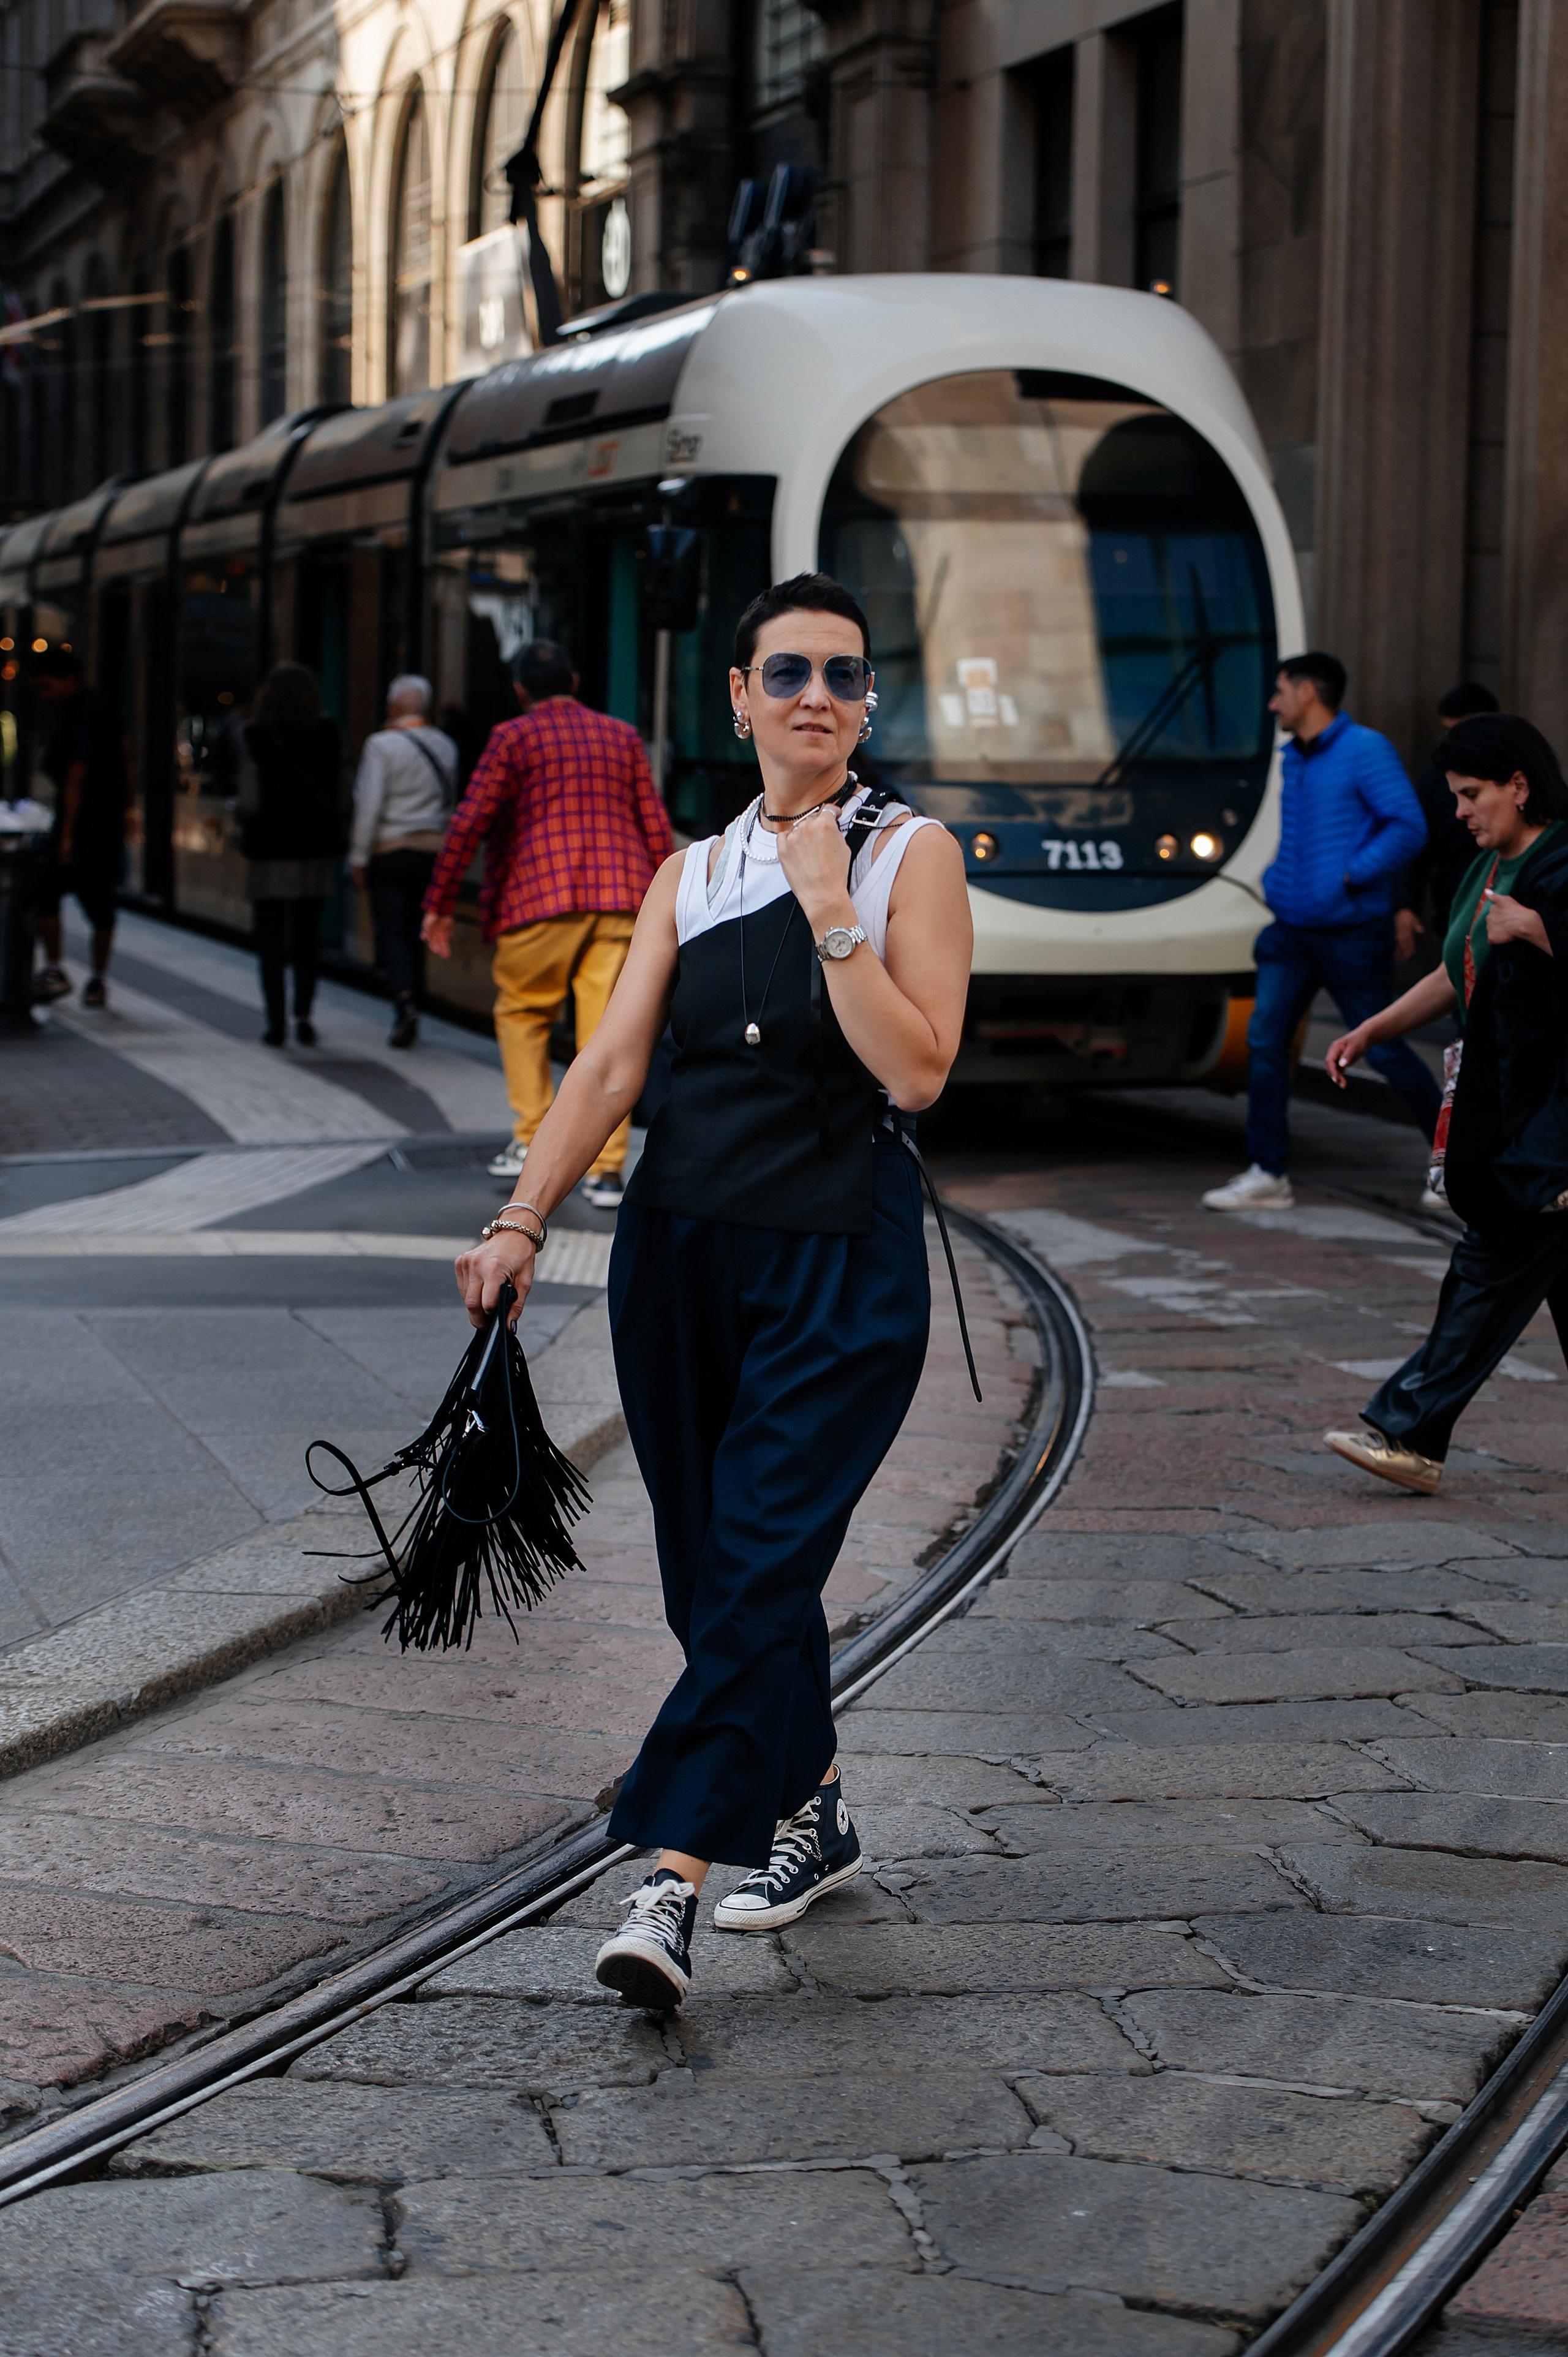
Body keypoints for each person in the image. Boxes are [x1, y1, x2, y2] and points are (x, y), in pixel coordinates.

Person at [447, 574, 972, 2009]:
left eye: (845, 675)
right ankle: (812, 1806)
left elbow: (916, 1067)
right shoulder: (689, 867)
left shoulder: (905, 853)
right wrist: (519, 1215)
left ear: (869, 702)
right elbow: (611, 1068)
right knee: (709, 1568)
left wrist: (829, 915)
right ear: (734, 693)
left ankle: (666, 1877)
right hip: (677, 1249)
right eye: (787, 669)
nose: (817, 694)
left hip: (835, 1255)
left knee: (755, 1549)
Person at [1322, 712, 1568, 1493]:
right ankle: (1414, 1432)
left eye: (1471, 795)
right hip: (1509, 1109)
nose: (1457, 811)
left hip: (1548, 1123)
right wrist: (1369, 1029)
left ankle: (1411, 1431)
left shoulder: (1559, 865)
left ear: (1519, 786)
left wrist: (1539, 928)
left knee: (1487, 1267)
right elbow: (1453, 968)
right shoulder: (1487, 867)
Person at [420, 639, 675, 1209]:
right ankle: (606, 1172)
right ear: (575, 681)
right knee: (608, 1034)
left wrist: (437, 901)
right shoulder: (621, 735)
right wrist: (673, 899)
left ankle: (533, 1136)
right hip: (620, 897)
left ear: (519, 690)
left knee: (522, 1014)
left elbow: (471, 820)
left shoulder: (513, 737)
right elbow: (653, 823)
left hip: (539, 895)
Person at [1203, 651, 1438, 1212]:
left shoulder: (1365, 750)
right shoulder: (1293, 758)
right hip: (1291, 930)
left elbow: (1409, 825)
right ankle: (1267, 1172)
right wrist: (1278, 878)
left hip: (1351, 932)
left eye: (1280, 689)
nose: (1273, 702)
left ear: (1308, 692)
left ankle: (1450, 1164)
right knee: (1265, 1044)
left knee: (1384, 1049)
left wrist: (1352, 873)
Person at [235, 663, 344, 1048]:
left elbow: (250, 800)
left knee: (270, 940)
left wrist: (237, 814)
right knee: (306, 938)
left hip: (270, 850)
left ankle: (276, 1023)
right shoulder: (328, 733)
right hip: (314, 850)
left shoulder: (254, 735)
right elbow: (341, 792)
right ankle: (305, 1017)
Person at [349, 674, 457, 1048]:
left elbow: (369, 805)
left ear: (395, 706)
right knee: (421, 928)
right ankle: (415, 1000)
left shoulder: (381, 746)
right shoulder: (445, 745)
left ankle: (405, 1001)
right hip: (434, 853)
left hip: (391, 850)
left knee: (394, 931)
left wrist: (358, 858)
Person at [29, 649, 132, 1009]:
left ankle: (59, 969)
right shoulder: (101, 710)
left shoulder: (83, 716)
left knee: (49, 896)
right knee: (99, 905)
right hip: (103, 823)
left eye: (47, 686)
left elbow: (76, 776)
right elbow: (125, 755)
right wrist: (129, 808)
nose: (44, 694)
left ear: (69, 680)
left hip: (86, 826)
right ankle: (96, 980)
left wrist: (68, 834)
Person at [1393, 681, 1501, 963]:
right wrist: (1406, 905)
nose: (1463, 812)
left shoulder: (1520, 781)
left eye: (1473, 795)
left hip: (1501, 916)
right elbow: (1418, 847)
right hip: (1455, 911)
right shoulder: (1435, 780)